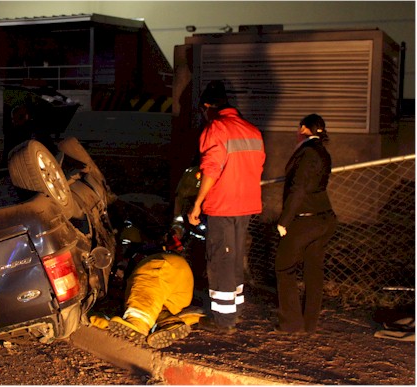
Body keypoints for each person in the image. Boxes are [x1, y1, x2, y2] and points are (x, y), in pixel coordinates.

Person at [188, 80, 265, 334]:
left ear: (208, 106)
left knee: (221, 259)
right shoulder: (252, 130)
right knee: (234, 258)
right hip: (247, 205)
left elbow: (211, 169)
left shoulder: (217, 128)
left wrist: (197, 203)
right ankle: (236, 309)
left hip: (223, 205)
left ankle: (223, 319)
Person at [274, 114, 337, 334]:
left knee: (284, 266)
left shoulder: (307, 152)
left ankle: (291, 323)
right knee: (313, 270)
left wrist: (284, 220)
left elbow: (298, 188)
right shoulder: (322, 152)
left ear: (303, 128)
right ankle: (310, 323)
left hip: (306, 218)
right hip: (325, 217)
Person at [89, 251, 202, 349]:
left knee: (143, 301)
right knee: (155, 307)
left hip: (162, 266)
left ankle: (138, 322)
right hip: (179, 289)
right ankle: (169, 321)